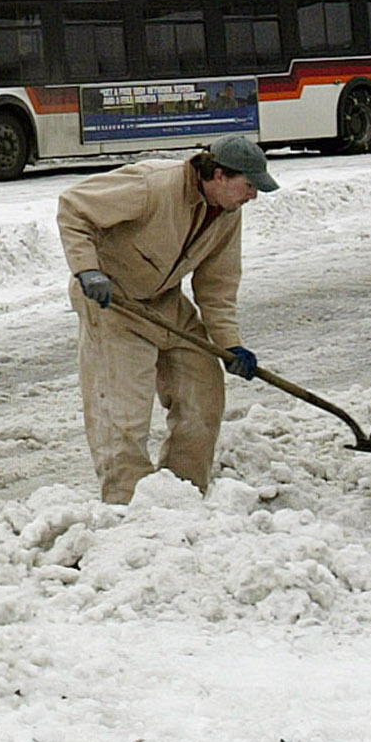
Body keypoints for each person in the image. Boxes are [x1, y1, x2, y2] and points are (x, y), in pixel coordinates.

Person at [56, 133, 276, 504]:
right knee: (123, 416)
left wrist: (229, 344)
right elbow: (74, 207)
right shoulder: (153, 185)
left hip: (165, 303)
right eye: (249, 185)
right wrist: (88, 270)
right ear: (219, 175)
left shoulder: (226, 213)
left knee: (203, 393)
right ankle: (127, 505)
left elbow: (217, 285)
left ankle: (183, 493)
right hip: (115, 304)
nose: (253, 195)